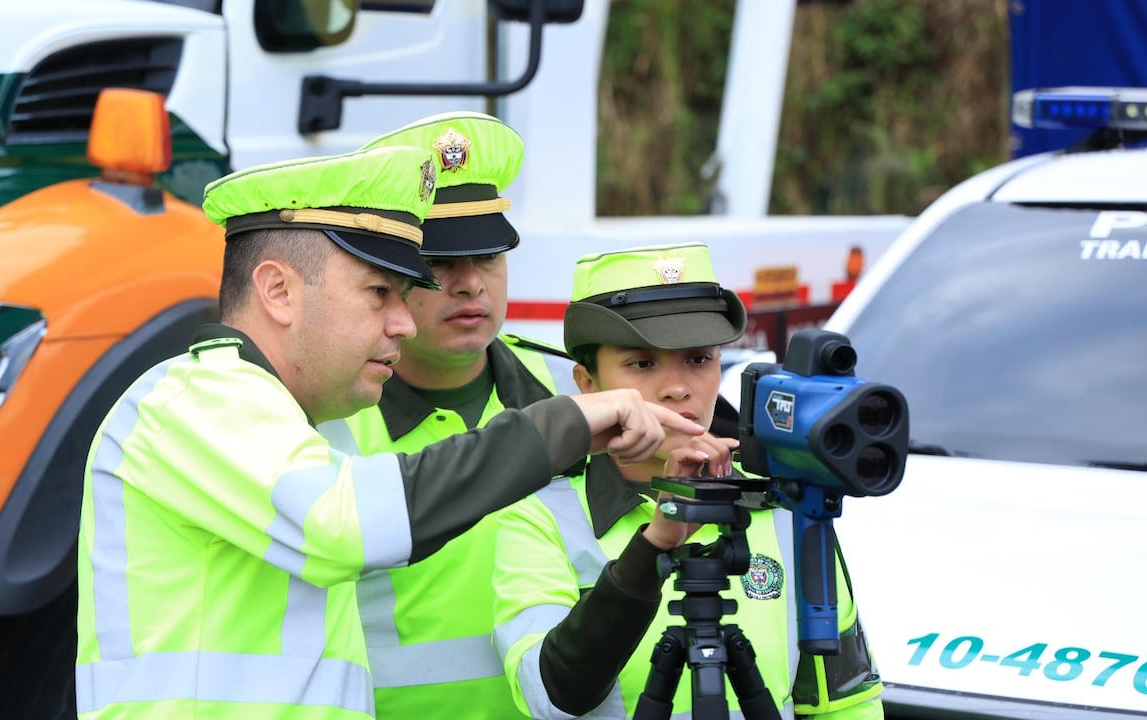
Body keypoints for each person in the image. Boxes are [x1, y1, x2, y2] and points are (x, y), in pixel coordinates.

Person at [73, 148, 706, 720]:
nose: (404, 322)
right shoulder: (198, 400)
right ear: (278, 291)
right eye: (380, 292)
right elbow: (347, 524)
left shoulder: (269, 414)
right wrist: (565, 422)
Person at [491, 242, 884, 719]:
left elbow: (846, 706)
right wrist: (652, 547)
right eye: (643, 363)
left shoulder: (782, 505)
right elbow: (550, 698)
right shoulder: (539, 514)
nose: (678, 387)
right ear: (588, 384)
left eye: (698, 359)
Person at [316, 112, 576, 720]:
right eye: (439, 263)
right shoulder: (328, 421)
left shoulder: (572, 393)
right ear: (388, 276)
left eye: (487, 257)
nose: (470, 285)